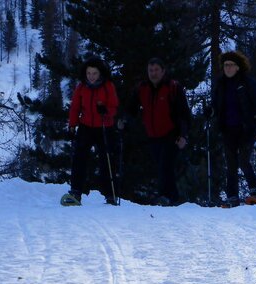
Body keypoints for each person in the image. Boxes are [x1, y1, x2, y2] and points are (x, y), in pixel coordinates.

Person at [128, 57, 191, 206]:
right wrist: (124, 121)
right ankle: (173, 198)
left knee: (165, 165)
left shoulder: (173, 87)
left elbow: (184, 114)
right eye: (150, 70)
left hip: (172, 134)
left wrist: (183, 135)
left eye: (156, 70)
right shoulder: (142, 88)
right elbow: (131, 108)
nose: (153, 73)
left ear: (163, 71)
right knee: (162, 167)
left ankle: (164, 196)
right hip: (153, 135)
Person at [209, 50, 256, 208]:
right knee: (231, 163)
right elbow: (216, 104)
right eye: (225, 65)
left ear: (238, 67)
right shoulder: (220, 84)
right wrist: (211, 111)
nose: (227, 68)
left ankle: (255, 190)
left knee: (243, 160)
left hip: (246, 128)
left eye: (231, 65)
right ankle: (232, 196)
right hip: (227, 128)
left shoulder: (247, 83)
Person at [63, 57, 119, 206]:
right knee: (79, 159)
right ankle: (75, 192)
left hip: (104, 126)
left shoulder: (108, 86)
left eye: (94, 73)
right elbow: (75, 107)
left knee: (106, 160)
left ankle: (110, 194)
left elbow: (114, 107)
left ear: (100, 73)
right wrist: (72, 126)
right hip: (86, 126)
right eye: (89, 73)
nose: (91, 76)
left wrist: (105, 110)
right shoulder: (81, 87)